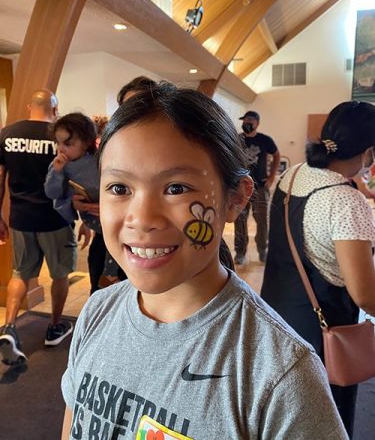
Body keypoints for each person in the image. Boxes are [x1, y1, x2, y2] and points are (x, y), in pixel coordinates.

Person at [61, 83, 347, 439]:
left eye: (176, 188)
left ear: (236, 200)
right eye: (120, 189)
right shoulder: (96, 313)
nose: (142, 217)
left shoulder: (280, 374)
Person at [261, 100, 375, 437]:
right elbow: (365, 293)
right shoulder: (345, 200)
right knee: (326, 420)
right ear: (368, 152)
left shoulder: (293, 173)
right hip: (323, 336)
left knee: (287, 416)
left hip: (277, 318)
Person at [0, 89, 76, 366]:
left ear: (29, 106)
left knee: (20, 274)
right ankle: (55, 326)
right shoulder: (59, 138)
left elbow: (0, 176)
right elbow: (69, 179)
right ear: (54, 110)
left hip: (21, 218)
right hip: (54, 219)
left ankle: (9, 327)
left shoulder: (7, 135)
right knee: (60, 274)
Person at [44, 112, 125, 295]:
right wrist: (56, 172)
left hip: (113, 213)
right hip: (92, 217)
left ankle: (110, 274)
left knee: (113, 233)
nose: (61, 149)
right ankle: (109, 276)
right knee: (109, 233)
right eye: (58, 143)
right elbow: (52, 193)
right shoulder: (59, 165)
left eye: (68, 144)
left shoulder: (100, 160)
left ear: (87, 142)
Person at [234, 110, 280, 265]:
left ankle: (262, 250)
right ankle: (240, 252)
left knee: (262, 221)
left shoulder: (265, 140)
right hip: (240, 187)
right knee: (239, 220)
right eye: (244, 120)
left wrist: (272, 175)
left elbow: (277, 154)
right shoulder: (236, 139)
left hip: (260, 186)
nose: (246, 123)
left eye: (249, 120)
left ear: (257, 123)